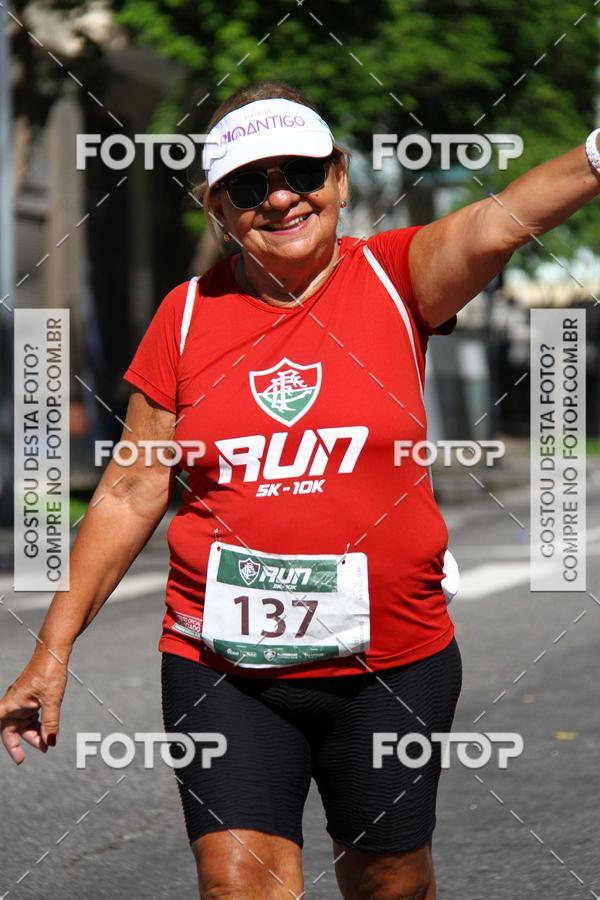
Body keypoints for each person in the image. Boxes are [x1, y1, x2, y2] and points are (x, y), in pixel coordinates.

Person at [1, 80, 599, 900]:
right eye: (251, 183)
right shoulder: (183, 318)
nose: (281, 196)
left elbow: (502, 218)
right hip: (224, 668)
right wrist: (52, 650)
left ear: (340, 180)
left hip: (392, 662)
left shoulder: (398, 278)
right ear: (219, 207)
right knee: (237, 884)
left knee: (389, 881)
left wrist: (597, 154)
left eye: (302, 173)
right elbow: (131, 489)